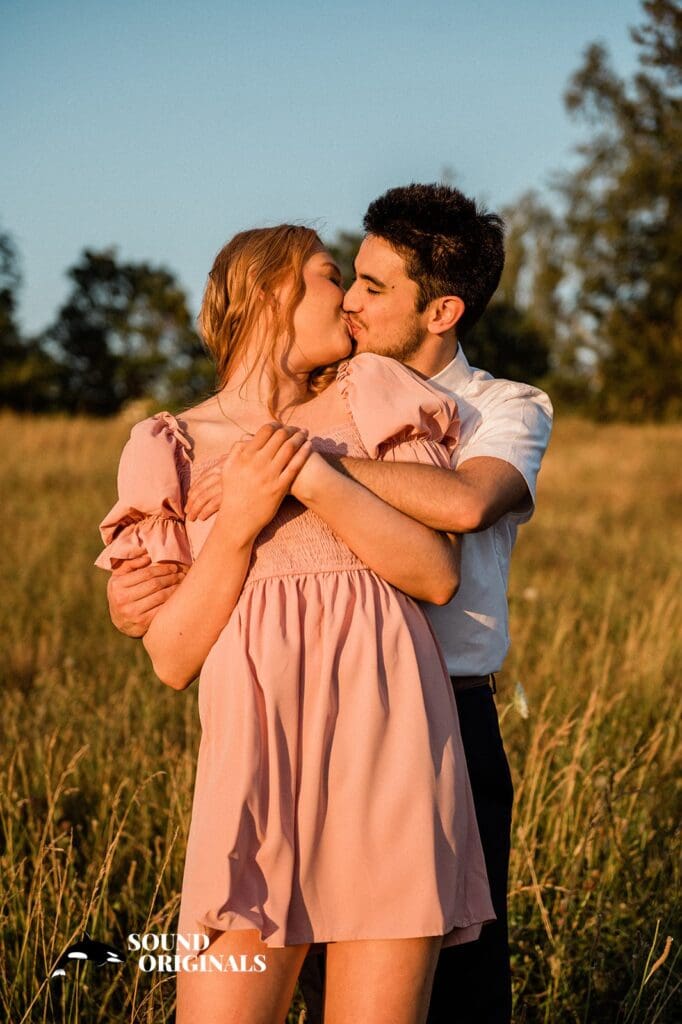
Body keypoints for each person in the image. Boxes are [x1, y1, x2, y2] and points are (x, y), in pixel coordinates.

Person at [106, 184, 554, 1023]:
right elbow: (167, 648)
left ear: (441, 310)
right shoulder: (169, 443)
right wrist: (226, 527)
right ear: (267, 293)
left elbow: (450, 529)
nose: (349, 297)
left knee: (460, 1001)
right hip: (258, 756)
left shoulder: (439, 406)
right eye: (336, 276)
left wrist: (300, 465)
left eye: (370, 285)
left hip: (417, 729)